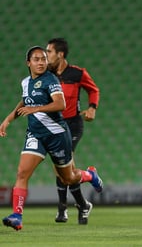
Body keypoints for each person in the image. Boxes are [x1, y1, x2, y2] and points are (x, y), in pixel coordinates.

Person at [0, 46, 103, 231]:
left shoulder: (51, 80)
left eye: (43, 59)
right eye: (36, 59)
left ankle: (90, 175)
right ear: (28, 63)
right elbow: (25, 101)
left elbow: (60, 104)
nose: (41, 62)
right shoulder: (25, 82)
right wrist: (8, 119)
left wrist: (35, 109)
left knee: (69, 178)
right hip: (35, 134)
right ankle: (17, 215)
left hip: (57, 134)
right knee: (22, 173)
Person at [46, 38, 100, 224]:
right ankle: (83, 204)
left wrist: (92, 107)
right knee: (61, 169)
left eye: (49, 52)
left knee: (63, 163)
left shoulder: (77, 73)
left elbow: (93, 90)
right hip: (54, 125)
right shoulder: (46, 75)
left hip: (73, 124)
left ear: (60, 54)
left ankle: (63, 209)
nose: (46, 56)